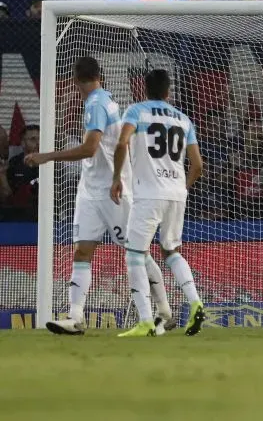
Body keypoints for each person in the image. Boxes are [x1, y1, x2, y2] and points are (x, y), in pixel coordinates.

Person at [28, 57, 173, 335]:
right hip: (90, 190)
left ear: (74, 80)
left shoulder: (97, 104)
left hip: (113, 192)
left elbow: (89, 149)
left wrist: (46, 156)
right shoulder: (104, 99)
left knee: (137, 252)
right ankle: (75, 317)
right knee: (82, 250)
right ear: (100, 76)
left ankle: (164, 311)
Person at [112, 69, 206, 337]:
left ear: (144, 89)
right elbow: (198, 165)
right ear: (168, 92)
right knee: (172, 251)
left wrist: (117, 177)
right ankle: (195, 301)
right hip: (177, 194)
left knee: (134, 254)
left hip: (149, 194)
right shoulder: (184, 120)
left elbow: (122, 144)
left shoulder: (136, 111)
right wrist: (181, 187)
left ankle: (144, 321)